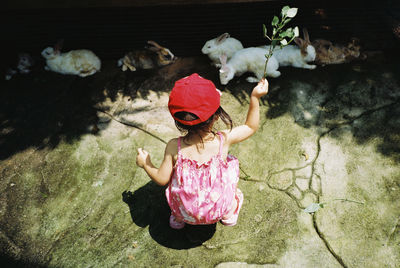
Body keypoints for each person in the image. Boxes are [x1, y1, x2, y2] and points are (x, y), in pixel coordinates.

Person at [136, 73, 268, 229]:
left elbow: (162, 179)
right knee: (230, 163)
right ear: (216, 116)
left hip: (186, 213)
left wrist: (146, 163)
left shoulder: (174, 146)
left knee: (175, 179)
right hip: (218, 210)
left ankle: (178, 219)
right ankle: (228, 214)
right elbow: (250, 126)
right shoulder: (223, 140)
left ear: (179, 121)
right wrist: (255, 97)